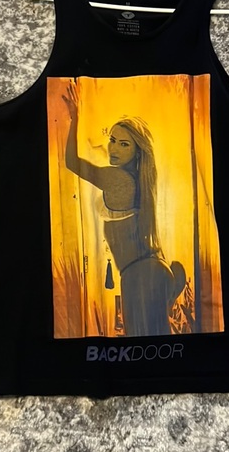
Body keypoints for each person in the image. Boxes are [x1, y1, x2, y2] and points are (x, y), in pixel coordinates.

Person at [62, 81, 186, 337]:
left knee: (140, 347)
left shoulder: (116, 178)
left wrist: (75, 117)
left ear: (137, 152)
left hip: (138, 275)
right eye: (112, 140)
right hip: (153, 270)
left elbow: (72, 162)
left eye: (124, 144)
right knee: (157, 346)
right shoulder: (139, 179)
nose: (114, 148)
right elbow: (98, 151)